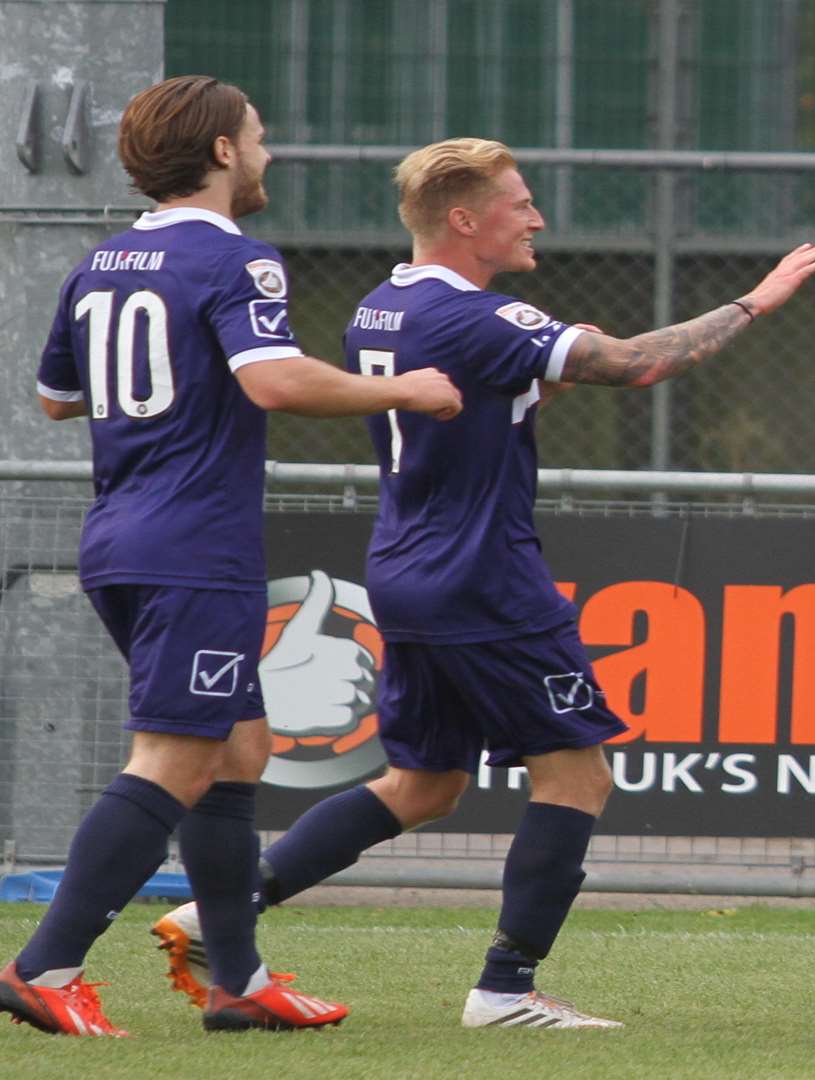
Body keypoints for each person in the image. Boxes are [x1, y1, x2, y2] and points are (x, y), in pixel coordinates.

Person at [147, 138, 815, 1030]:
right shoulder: (474, 316)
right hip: (484, 580)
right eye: (519, 203)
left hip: (407, 569)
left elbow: (498, 391)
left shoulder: (382, 305)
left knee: (424, 785)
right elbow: (635, 364)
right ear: (465, 220)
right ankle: (506, 989)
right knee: (577, 774)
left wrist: (546, 367)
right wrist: (757, 300)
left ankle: (223, 909)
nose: (537, 217)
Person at [0, 75, 464, 1037]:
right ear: (220, 152)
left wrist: (160, 392)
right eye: (257, 135)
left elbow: (56, 397)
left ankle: (238, 978)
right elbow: (275, 381)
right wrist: (409, 390)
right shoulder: (236, 261)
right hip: (190, 545)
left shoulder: (103, 261)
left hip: (121, 534)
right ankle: (44, 965)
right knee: (176, 757)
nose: (267, 152)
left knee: (239, 749)